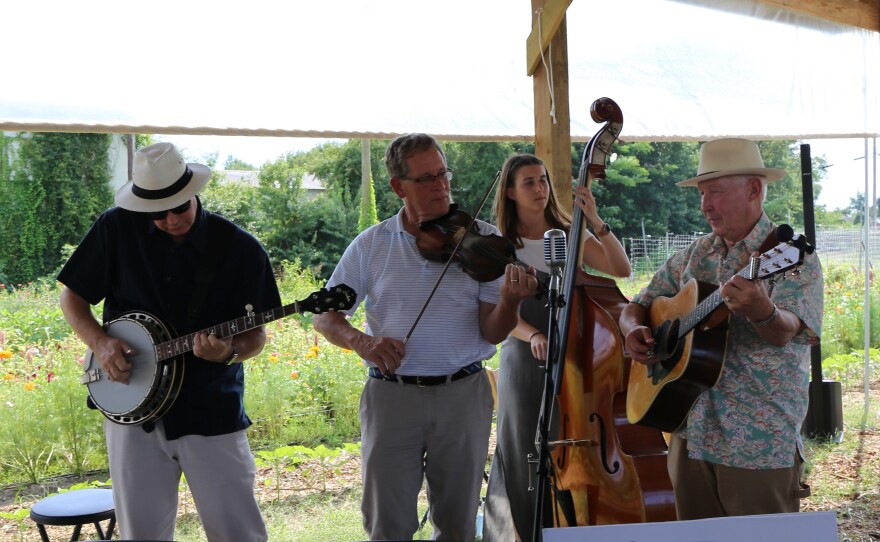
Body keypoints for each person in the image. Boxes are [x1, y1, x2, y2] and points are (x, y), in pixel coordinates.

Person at [312, 133, 537, 541]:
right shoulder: (371, 245)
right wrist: (363, 342)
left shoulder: (482, 240)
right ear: (399, 187)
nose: (441, 186)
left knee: (458, 521)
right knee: (387, 521)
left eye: (443, 174)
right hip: (391, 397)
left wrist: (510, 303)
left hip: (463, 392)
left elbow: (493, 330)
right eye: (427, 178)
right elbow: (325, 318)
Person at [58, 142, 280, 541]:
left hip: (210, 411)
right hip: (132, 412)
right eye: (156, 213)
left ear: (193, 192)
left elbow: (255, 335)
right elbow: (71, 296)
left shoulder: (238, 248)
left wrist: (230, 351)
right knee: (141, 534)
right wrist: (101, 343)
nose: (170, 219)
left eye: (179, 207)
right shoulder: (116, 228)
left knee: (237, 532)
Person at [618, 137, 823, 519]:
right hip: (689, 432)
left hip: (756, 441)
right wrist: (632, 331)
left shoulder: (792, 258)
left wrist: (763, 311)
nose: (705, 205)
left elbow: (787, 332)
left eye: (714, 192)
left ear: (754, 189)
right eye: (701, 193)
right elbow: (638, 304)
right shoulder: (696, 254)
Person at [482, 153, 631, 541]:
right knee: (524, 449)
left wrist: (595, 220)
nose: (540, 188)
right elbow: (499, 309)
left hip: (573, 355)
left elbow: (621, 268)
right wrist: (533, 333)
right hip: (524, 354)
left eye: (543, 179)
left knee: (572, 443)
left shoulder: (571, 233)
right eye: (529, 182)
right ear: (511, 193)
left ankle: (573, 527)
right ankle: (529, 532)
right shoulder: (498, 247)